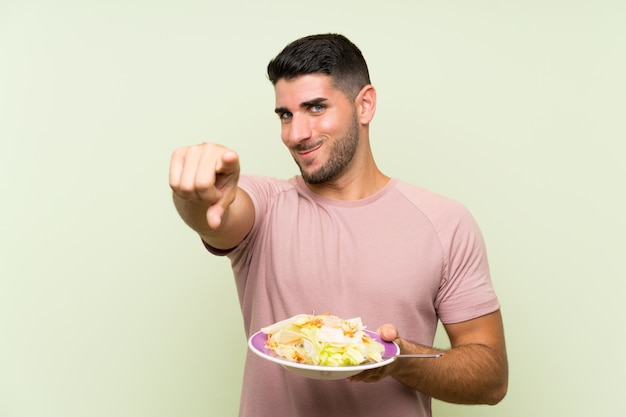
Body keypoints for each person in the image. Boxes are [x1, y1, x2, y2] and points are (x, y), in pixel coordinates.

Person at [169, 33, 508, 417]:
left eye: (315, 108)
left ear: (364, 105)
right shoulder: (265, 204)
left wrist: (396, 358)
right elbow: (219, 216)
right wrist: (193, 195)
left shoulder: (445, 222)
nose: (296, 134)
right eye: (286, 114)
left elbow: (491, 378)